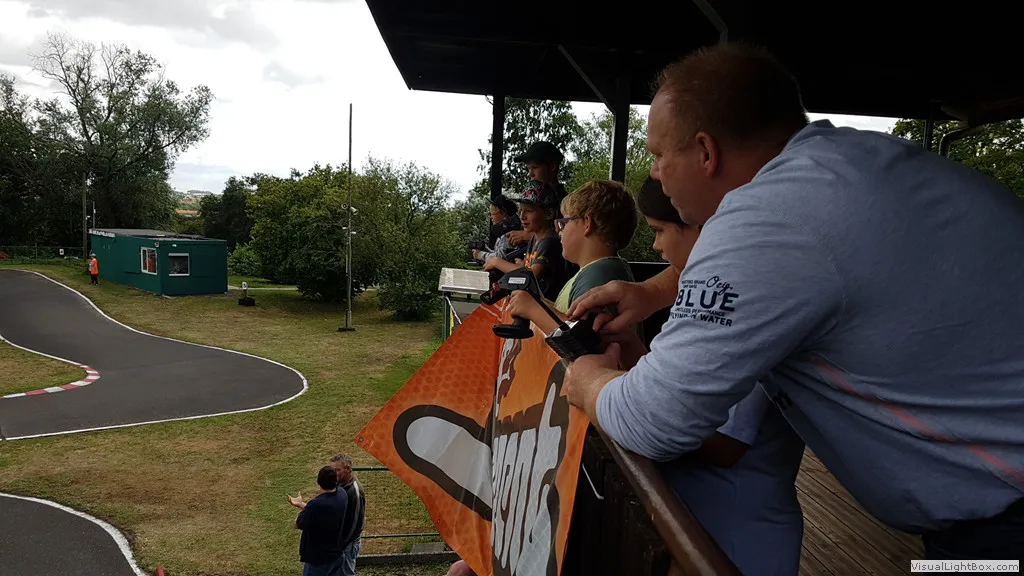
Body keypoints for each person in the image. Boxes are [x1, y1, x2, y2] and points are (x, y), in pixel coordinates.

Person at [565, 42, 1024, 560]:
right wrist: (653, 291)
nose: (654, 173)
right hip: (985, 513)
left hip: (1003, 524)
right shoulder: (847, 167)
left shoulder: (767, 216)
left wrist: (588, 381)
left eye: (657, 154)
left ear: (706, 152)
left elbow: (654, 420)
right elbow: (814, 256)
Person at [634, 176, 806, 574]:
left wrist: (610, 397)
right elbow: (670, 393)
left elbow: (727, 445)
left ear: (702, 228)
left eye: (659, 230)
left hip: (739, 534)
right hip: (707, 521)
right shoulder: (705, 298)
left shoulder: (742, 310)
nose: (655, 246)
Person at [505, 179, 637, 331]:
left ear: (587, 223)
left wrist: (533, 309)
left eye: (564, 223)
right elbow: (567, 317)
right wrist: (537, 301)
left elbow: (582, 336)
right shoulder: (598, 269)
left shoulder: (598, 276)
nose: (559, 231)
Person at [484, 180, 572, 301]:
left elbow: (531, 275)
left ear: (549, 213)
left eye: (529, 211)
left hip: (547, 307)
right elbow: (525, 270)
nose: (522, 216)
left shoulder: (549, 242)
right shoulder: (535, 239)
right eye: (521, 210)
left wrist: (496, 261)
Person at [289, 467, 349, 576]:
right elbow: (321, 512)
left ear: (318, 482)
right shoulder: (342, 494)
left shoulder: (316, 505)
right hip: (337, 555)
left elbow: (298, 523)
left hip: (319, 560)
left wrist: (305, 508)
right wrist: (301, 505)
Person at [507, 141, 568, 247]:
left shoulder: (566, 203)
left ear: (552, 166)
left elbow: (567, 235)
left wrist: (528, 236)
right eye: (529, 169)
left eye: (535, 168)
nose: (530, 174)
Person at [328, 454, 366, 576]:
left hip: (347, 544)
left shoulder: (354, 492)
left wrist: (341, 544)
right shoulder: (339, 484)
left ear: (348, 469)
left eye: (337, 470)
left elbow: (354, 524)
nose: (333, 474)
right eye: (331, 470)